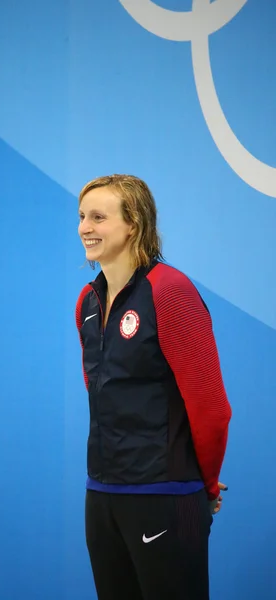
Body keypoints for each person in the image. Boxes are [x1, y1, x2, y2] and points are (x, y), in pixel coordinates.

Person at [75, 174, 232, 600]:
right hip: (102, 497)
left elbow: (211, 407)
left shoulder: (170, 292)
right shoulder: (87, 302)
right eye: (82, 216)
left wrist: (207, 485)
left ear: (134, 223)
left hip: (164, 496)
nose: (85, 227)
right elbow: (101, 396)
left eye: (99, 217)